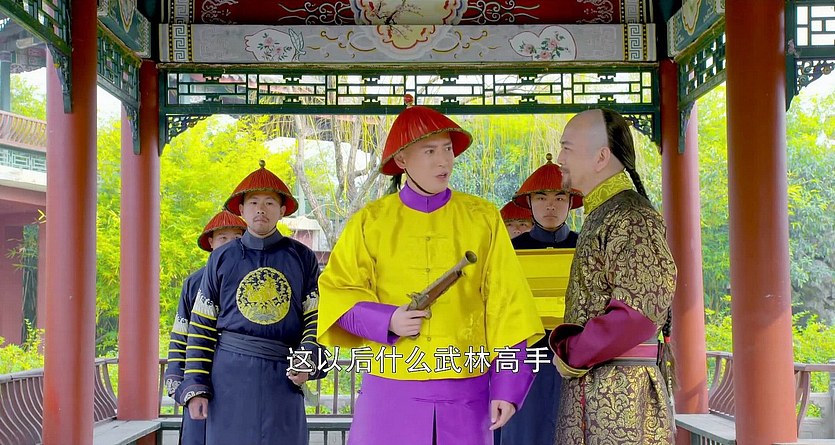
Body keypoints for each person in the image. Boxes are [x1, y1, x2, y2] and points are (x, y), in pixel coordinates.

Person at [317, 96, 544, 445]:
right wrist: (387, 320)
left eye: (448, 149)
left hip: (465, 389)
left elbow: (507, 303)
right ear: (402, 160)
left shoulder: (482, 218)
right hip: (390, 389)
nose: (444, 161)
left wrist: (507, 386)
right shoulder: (369, 222)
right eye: (430, 151)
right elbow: (337, 294)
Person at [178, 161, 327, 445]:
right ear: (241, 210)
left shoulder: (302, 257)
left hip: (283, 375)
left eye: (270, 203)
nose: (261, 209)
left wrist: (306, 361)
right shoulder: (221, 258)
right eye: (254, 202)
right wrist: (196, 385)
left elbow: (315, 317)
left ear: (282, 211)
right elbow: (201, 326)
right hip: (228, 377)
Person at [551, 109, 676, 444]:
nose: (559, 158)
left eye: (567, 148)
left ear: (601, 157)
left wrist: (574, 349)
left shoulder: (631, 215)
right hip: (596, 389)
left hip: (625, 398)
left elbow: (638, 311)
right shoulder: (603, 213)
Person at [498, 153, 581, 445]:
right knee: (523, 434)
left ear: (571, 202)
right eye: (541, 197)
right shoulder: (509, 251)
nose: (550, 206)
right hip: (524, 357)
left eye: (560, 197)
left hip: (575, 358)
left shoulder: (586, 247)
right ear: (529, 203)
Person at [163, 209, 246, 445]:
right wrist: (184, 383)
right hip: (202, 373)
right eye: (223, 238)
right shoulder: (194, 282)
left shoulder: (254, 279)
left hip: (240, 373)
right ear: (211, 242)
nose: (230, 244)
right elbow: (181, 332)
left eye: (237, 238)